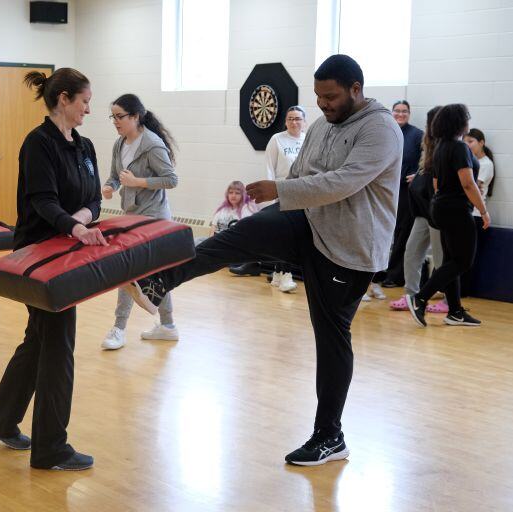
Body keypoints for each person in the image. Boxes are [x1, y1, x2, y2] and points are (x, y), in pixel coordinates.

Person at [126, 55, 403, 465]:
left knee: (331, 339)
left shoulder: (381, 130)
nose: (323, 105)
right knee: (241, 234)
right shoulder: (323, 126)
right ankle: (160, 281)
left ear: (356, 90)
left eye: (331, 96)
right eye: (318, 97)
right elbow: (303, 173)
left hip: (349, 249)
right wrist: (281, 191)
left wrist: (280, 190)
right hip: (308, 223)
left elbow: (342, 183)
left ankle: (330, 436)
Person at [0, 68, 105, 470]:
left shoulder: (84, 145)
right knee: (58, 346)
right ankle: (51, 446)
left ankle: (1, 420)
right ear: (64, 99)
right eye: (85, 101)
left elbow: (95, 198)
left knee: (39, 339)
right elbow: (42, 202)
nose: (89, 108)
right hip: (39, 257)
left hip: (71, 253)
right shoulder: (38, 144)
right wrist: (76, 226)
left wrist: (85, 218)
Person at [100, 93, 179, 351]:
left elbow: (171, 180)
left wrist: (138, 182)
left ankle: (119, 329)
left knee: (130, 273)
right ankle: (167, 326)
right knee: (148, 274)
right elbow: (115, 176)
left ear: (135, 116)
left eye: (120, 116)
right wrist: (109, 187)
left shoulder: (153, 145)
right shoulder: (119, 144)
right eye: (113, 116)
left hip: (154, 218)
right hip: (130, 215)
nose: (115, 121)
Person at [405, 104, 490, 328]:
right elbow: (468, 184)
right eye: (466, 120)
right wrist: (483, 210)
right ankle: (420, 298)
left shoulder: (440, 146)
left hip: (441, 208)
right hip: (456, 210)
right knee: (462, 261)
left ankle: (455, 311)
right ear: (460, 123)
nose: (468, 124)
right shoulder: (460, 148)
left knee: (452, 261)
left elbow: (436, 183)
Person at [389, 106, 448, 313]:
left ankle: (449, 300)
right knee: (412, 252)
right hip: (423, 211)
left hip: (437, 212)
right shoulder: (429, 144)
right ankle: (410, 295)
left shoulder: (447, 146)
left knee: (441, 258)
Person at [380, 100, 423, 287]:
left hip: (406, 193)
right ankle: (380, 270)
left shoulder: (418, 135)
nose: (400, 114)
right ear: (392, 112)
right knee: (384, 231)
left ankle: (395, 275)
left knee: (402, 233)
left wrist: (419, 175)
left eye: (404, 111)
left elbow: (429, 161)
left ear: (409, 113)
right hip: (385, 190)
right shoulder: (385, 132)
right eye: (397, 111)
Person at [264, 106, 307, 293]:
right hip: (283, 191)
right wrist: (272, 192)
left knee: (295, 235)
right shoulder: (277, 139)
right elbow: (269, 167)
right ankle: (286, 276)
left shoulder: (308, 140)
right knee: (285, 234)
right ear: (285, 121)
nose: (294, 122)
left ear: (304, 121)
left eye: (298, 118)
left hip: (304, 192)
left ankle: (277, 272)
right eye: (290, 118)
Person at [460, 128, 495, 296]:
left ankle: (463, 290)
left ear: (481, 143)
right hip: (465, 213)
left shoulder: (486, 164)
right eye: (465, 141)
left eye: (471, 141)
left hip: (475, 214)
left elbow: (471, 186)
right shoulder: (467, 160)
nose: (467, 145)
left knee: (468, 257)